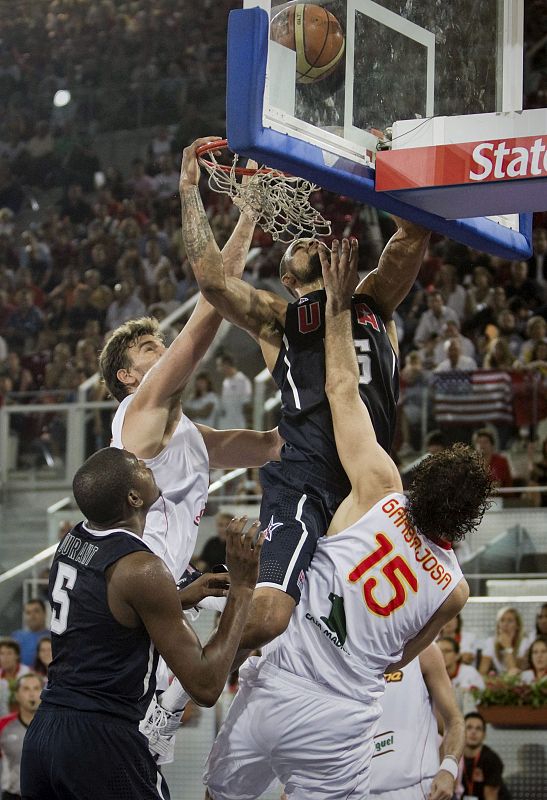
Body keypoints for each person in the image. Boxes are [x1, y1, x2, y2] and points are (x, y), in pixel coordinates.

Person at [202, 239, 493, 800]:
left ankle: (179, 684)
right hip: (347, 708)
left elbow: (341, 390)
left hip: (287, 676)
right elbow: (403, 655)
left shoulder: (383, 491)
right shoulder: (454, 588)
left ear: (422, 479)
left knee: (222, 790)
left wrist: (336, 304)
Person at [180, 137, 432, 653]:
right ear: (289, 278)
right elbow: (212, 280)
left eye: (315, 237)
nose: (313, 237)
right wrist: (188, 189)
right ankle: (175, 678)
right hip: (306, 477)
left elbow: (412, 234)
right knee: (271, 615)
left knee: (367, 630)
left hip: (370, 479)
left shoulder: (375, 301)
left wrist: (384, 163)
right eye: (297, 245)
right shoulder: (280, 320)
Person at [99, 139, 282, 760]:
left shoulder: (188, 434)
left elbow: (264, 447)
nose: (162, 348)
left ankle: (162, 713)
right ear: (128, 376)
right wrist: (205, 198)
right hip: (136, 598)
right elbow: (209, 311)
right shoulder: (139, 414)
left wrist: (332, 408)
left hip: (168, 596)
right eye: (148, 349)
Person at [20, 447, 264, 800]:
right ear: (134, 497)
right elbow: (207, 686)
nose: (147, 467)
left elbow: (105, 612)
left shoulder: (72, 541)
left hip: (45, 733)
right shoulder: (142, 568)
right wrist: (242, 586)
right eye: (139, 467)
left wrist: (178, 597)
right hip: (101, 741)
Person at [370, 643, 464, 800]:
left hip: (414, 788)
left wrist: (448, 770)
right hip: (356, 788)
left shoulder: (425, 651)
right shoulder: (345, 653)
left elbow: (454, 721)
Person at [0, 673, 42, 800]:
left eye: (36, 688)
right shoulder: (3, 725)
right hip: (12, 794)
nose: (32, 694)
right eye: (26, 689)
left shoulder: (55, 726)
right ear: (17, 695)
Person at [460, 712, 510, 800]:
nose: (473, 732)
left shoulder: (492, 759)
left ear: (484, 735)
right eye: (469, 727)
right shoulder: (455, 756)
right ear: (461, 732)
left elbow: (491, 795)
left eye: (478, 728)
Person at [437, 637, 484, 712]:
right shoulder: (429, 675)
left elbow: (480, 700)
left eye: (447, 651)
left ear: (457, 655)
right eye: (439, 651)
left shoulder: (470, 673)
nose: (442, 655)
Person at [479, 607, 527, 676]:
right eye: (502, 620)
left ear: (517, 626)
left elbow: (515, 673)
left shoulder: (524, 642)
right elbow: (482, 672)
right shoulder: (491, 641)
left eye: (510, 621)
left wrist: (507, 647)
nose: (505, 624)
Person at [215, 352, 252, 429]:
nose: (218, 369)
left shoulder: (242, 380)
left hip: (237, 426)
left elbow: (247, 405)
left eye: (220, 366)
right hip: (224, 425)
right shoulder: (225, 382)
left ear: (227, 364)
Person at [10, 599, 48, 667]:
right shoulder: (16, 637)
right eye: (28, 613)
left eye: (36, 611)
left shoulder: (54, 637)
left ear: (45, 613)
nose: (32, 616)